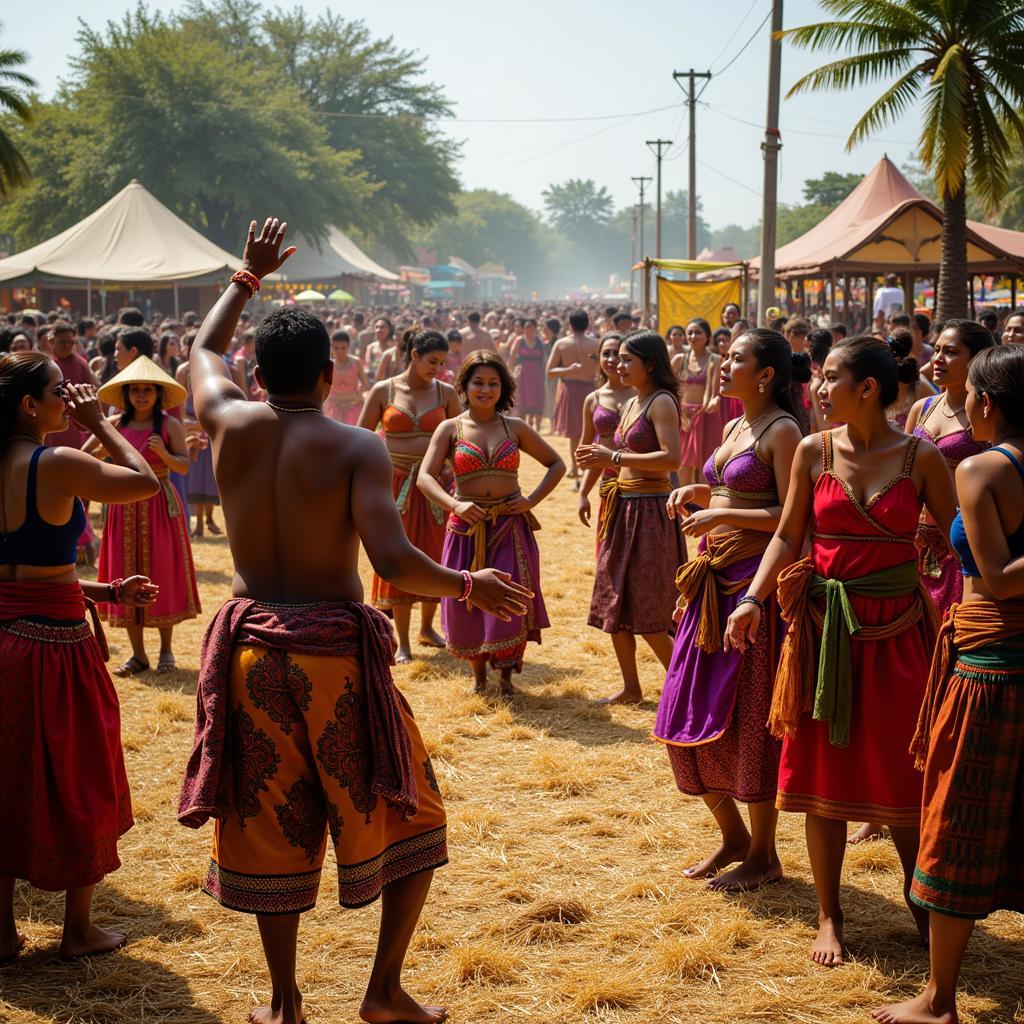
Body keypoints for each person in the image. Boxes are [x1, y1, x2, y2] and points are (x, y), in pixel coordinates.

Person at [178, 219, 532, 1024]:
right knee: (417, 815)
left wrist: (246, 277)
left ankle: (282, 1002)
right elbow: (397, 562)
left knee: (273, 826)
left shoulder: (227, 425)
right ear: (333, 376)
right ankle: (381, 991)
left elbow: (201, 354)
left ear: (257, 373)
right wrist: (468, 583)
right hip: (331, 657)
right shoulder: (356, 447)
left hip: (250, 654)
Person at [724, 336, 956, 967]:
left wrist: (965, 606)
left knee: (904, 770)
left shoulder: (921, 457)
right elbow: (787, 535)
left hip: (901, 635)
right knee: (816, 773)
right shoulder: (810, 450)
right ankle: (830, 915)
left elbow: (961, 535)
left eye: (829, 378)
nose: (817, 389)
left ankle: (920, 902)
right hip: (822, 637)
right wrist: (751, 598)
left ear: (868, 389)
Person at [874, 345, 1024, 1024]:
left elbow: (996, 577)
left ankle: (938, 999)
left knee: (958, 815)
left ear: (986, 402)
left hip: (992, 665)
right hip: (993, 654)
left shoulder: (983, 468)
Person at [0, 353, 159, 960]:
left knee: (8, 784)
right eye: (56, 394)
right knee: (80, 781)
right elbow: (144, 482)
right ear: (27, 405)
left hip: (5, 642)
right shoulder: (57, 463)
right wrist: (104, 424)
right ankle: (78, 930)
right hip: (55, 650)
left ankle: (3, 933)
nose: (67, 403)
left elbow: (26, 574)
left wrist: (105, 591)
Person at [655, 330, 806, 892]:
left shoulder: (784, 430)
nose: (724, 364)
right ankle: (734, 837)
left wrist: (725, 520)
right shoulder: (737, 423)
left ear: (766, 374)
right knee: (681, 715)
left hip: (751, 592)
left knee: (747, 722)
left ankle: (764, 853)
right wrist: (701, 493)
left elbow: (796, 518)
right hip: (709, 587)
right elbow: (734, 496)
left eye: (737, 359)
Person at [418, 350, 564, 695]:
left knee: (510, 600)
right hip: (466, 530)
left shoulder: (515, 427)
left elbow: (556, 464)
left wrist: (530, 501)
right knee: (468, 601)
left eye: (493, 383)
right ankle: (479, 677)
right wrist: (456, 503)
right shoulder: (448, 428)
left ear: (504, 388)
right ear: (464, 386)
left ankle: (507, 675)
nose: (485, 390)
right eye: (478, 383)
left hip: (510, 529)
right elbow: (425, 477)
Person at [577, 330, 688, 704]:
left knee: (649, 612)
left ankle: (689, 690)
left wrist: (615, 459)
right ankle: (631, 688)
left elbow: (673, 459)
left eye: (627, 360)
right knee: (613, 603)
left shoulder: (661, 402)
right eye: (617, 358)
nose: (618, 366)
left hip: (651, 512)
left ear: (650, 364)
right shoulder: (631, 403)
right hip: (622, 508)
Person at [87, 356, 200, 675]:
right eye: (135, 390)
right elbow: (87, 452)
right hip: (122, 506)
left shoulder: (169, 425)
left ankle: (166, 651)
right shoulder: (115, 425)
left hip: (159, 504)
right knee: (123, 573)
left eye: (147, 389)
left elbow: (183, 465)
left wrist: (164, 453)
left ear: (157, 393)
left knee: (162, 572)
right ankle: (138, 655)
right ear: (126, 394)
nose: (140, 395)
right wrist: (100, 453)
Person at [358, 329, 460, 663]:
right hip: (393, 485)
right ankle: (401, 641)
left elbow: (461, 439)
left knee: (433, 554)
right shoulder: (382, 390)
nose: (439, 368)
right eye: (433, 361)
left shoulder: (446, 393)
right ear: (414, 355)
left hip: (435, 486)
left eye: (443, 363)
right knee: (398, 555)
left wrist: (454, 476)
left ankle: (427, 628)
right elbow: (361, 438)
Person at [907, 321, 994, 614]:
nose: (937, 358)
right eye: (938, 350)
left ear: (975, 361)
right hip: (915, 540)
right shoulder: (923, 407)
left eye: (951, 352)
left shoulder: (986, 415)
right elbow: (903, 472)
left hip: (960, 541)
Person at [577, 333, 634, 543]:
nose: (611, 359)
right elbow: (588, 453)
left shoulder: (643, 395)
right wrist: (583, 494)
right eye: (606, 354)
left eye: (618, 354)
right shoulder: (593, 400)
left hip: (641, 484)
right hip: (609, 487)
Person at [547, 309, 600, 484]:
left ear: (569, 324)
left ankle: (577, 471)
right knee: (593, 432)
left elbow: (550, 371)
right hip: (591, 391)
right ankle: (582, 470)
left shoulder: (562, 344)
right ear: (588, 323)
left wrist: (568, 370)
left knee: (575, 435)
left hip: (572, 390)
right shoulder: (596, 343)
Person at [673, 318, 721, 485]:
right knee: (682, 468)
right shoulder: (679, 359)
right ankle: (682, 509)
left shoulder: (714, 359)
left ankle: (700, 509)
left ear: (708, 336)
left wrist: (715, 401)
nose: (693, 336)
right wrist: (678, 412)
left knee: (705, 469)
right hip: (683, 417)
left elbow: (713, 390)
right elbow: (669, 387)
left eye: (698, 332)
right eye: (690, 332)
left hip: (705, 416)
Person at [507, 318, 545, 430]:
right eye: (526, 327)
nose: (528, 329)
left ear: (535, 328)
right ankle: (523, 425)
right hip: (523, 374)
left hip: (536, 375)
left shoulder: (540, 342)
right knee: (522, 399)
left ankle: (534, 425)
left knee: (535, 398)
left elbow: (543, 360)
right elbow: (512, 358)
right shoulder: (519, 340)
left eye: (531, 327)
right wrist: (510, 373)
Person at [325, 331, 367, 425]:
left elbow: (366, 384)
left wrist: (361, 389)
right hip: (333, 408)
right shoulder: (328, 365)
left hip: (354, 407)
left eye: (343, 348)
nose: (340, 351)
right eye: (336, 348)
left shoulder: (356, 362)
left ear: (348, 347)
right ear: (331, 348)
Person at [364, 317, 397, 384]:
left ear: (389, 329)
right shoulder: (371, 347)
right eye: (376, 327)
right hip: (374, 383)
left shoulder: (395, 348)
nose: (379, 330)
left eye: (382, 327)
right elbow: (368, 366)